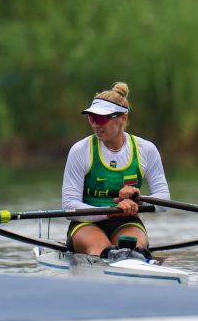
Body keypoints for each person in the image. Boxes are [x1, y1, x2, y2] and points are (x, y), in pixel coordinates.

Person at [61, 81, 169, 260]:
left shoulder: (146, 149)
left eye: (102, 118)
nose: (96, 124)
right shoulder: (80, 150)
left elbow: (164, 199)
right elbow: (69, 206)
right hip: (86, 223)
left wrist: (139, 200)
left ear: (123, 118)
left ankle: (136, 259)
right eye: (91, 118)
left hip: (126, 222)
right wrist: (110, 211)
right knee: (104, 251)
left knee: (134, 251)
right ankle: (106, 256)